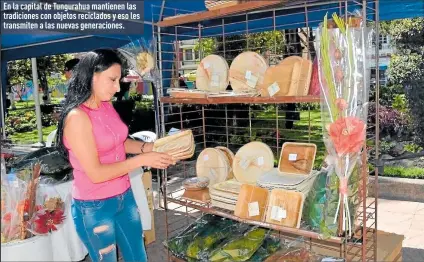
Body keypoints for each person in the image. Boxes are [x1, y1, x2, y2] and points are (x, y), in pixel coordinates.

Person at [56, 49, 175, 262]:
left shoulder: (106, 105)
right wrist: (142, 160)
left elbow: (119, 142)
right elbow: (96, 174)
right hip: (94, 206)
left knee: (138, 256)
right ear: (92, 75)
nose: (117, 87)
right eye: (112, 80)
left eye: (119, 80)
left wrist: (150, 148)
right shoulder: (77, 118)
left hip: (124, 196)